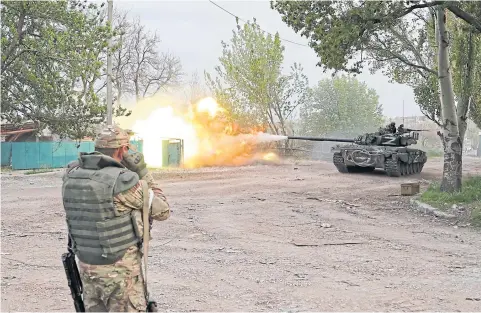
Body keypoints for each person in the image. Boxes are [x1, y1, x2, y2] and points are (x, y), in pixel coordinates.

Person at [61, 125, 170, 312]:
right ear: (122, 150)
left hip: (87, 269)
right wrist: (142, 171)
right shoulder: (123, 182)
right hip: (120, 273)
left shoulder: (72, 175)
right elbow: (163, 210)